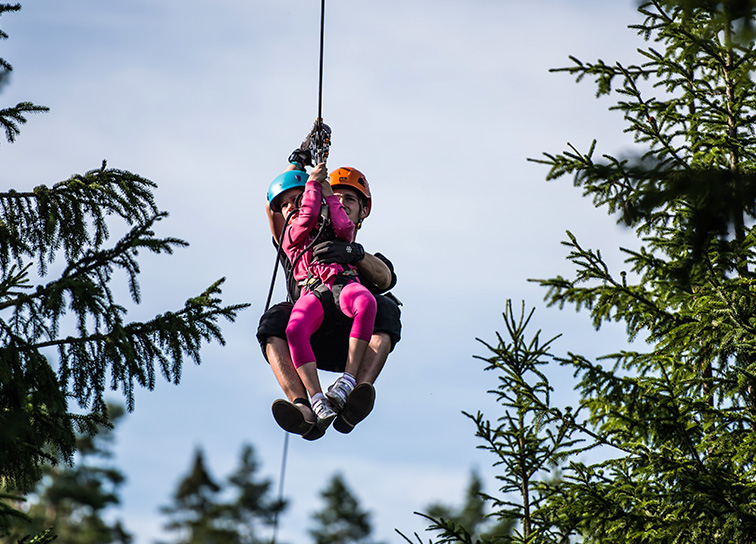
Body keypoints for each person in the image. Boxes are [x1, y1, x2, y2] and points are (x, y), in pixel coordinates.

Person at [257, 134, 401, 440]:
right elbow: (277, 205)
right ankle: (303, 407)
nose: (343, 203)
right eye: (338, 197)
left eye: (351, 199)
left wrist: (354, 254)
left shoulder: (362, 255)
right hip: (311, 334)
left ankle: (353, 394)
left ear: (364, 210)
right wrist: (299, 161)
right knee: (274, 320)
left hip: (353, 340)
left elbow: (385, 277)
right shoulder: (297, 241)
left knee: (386, 308)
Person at [279, 161, 377, 432]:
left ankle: (348, 380)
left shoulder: (334, 230)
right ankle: (316, 397)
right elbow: (306, 218)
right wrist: (312, 184)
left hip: (343, 282)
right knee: (294, 328)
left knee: (367, 302)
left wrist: (327, 191)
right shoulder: (292, 232)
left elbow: (345, 229)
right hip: (314, 288)